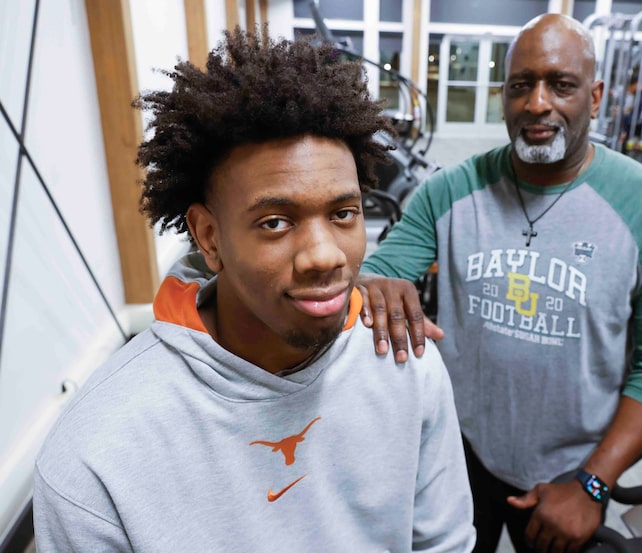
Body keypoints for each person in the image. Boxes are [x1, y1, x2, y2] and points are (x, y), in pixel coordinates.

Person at [33, 29, 475, 553]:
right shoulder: (95, 455)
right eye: (274, 222)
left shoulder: (406, 362)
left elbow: (444, 544)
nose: (325, 255)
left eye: (344, 214)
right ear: (209, 237)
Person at [357, 13, 642, 553]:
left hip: (572, 471)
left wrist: (593, 482)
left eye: (561, 84)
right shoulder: (449, 191)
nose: (538, 103)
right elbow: (379, 272)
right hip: (459, 450)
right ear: (504, 96)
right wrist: (375, 283)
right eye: (521, 86)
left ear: (596, 94)